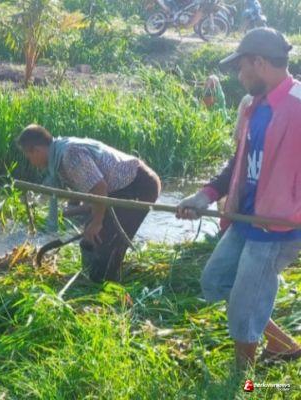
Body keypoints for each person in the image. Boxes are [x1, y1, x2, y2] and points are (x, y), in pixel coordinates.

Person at [176, 28, 301, 368]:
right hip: (245, 218)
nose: (239, 75)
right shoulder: (254, 106)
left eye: (241, 67)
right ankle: (282, 344)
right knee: (215, 280)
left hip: (276, 229)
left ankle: (242, 382)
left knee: (245, 309)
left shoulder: (298, 106)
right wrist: (205, 196)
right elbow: (239, 163)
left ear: (259, 63)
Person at [17, 124, 161, 282]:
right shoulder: (58, 154)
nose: (31, 162)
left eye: (28, 156)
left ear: (36, 150)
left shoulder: (70, 154)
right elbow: (80, 184)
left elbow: (99, 188)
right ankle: (93, 276)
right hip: (116, 190)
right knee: (89, 239)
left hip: (138, 185)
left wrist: (97, 222)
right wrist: (74, 209)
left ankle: (106, 284)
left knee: (105, 239)